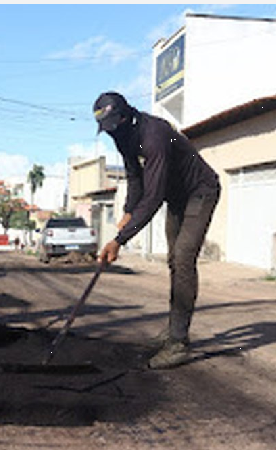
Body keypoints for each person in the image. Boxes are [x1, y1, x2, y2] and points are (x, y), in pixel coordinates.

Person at [93, 92, 221, 369]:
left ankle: (178, 343)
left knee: (184, 258)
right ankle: (174, 329)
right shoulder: (123, 137)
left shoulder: (155, 135)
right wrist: (128, 210)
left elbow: (152, 196)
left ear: (125, 117)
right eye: (107, 129)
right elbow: (133, 176)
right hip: (177, 197)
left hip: (201, 192)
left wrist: (119, 240)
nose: (111, 133)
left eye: (113, 126)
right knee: (174, 260)